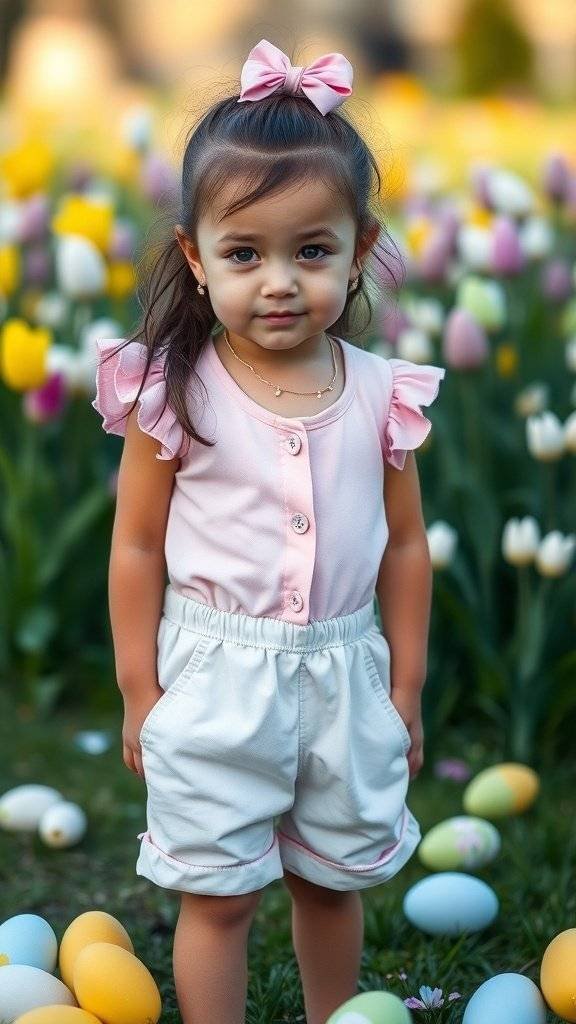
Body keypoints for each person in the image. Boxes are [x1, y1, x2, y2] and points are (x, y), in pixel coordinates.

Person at [92, 37, 446, 1024]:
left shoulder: (382, 396)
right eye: (246, 254)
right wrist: (138, 689)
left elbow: (406, 545)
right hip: (215, 676)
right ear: (195, 258)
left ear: (359, 250)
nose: (281, 281)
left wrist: (405, 684)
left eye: (313, 251)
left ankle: (339, 1015)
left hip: (345, 673)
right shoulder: (174, 392)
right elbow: (134, 545)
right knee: (220, 891)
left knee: (332, 879)